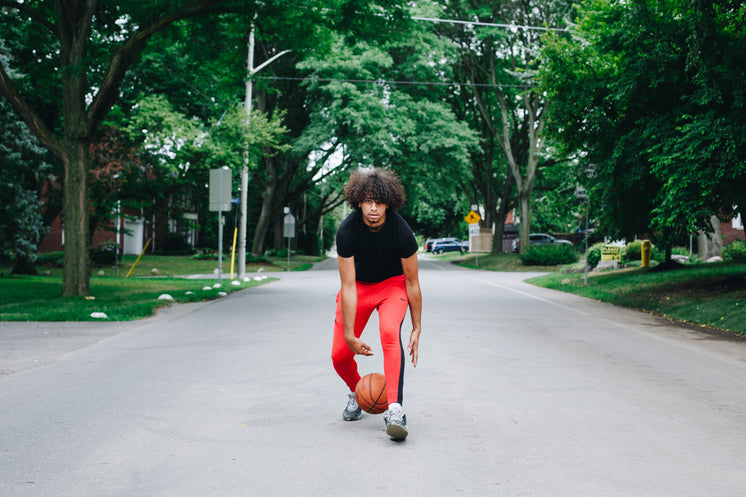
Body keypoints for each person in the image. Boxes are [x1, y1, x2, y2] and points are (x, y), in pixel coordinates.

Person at [331, 167, 422, 441]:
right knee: (339, 356)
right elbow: (347, 286)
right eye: (368, 201)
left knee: (389, 334)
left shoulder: (402, 231)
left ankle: (395, 409)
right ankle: (358, 393)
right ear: (358, 201)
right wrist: (349, 335)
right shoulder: (347, 232)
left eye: (379, 202)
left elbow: (413, 283)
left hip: (392, 286)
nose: (373, 208)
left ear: (388, 203)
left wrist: (417, 327)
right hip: (358, 289)